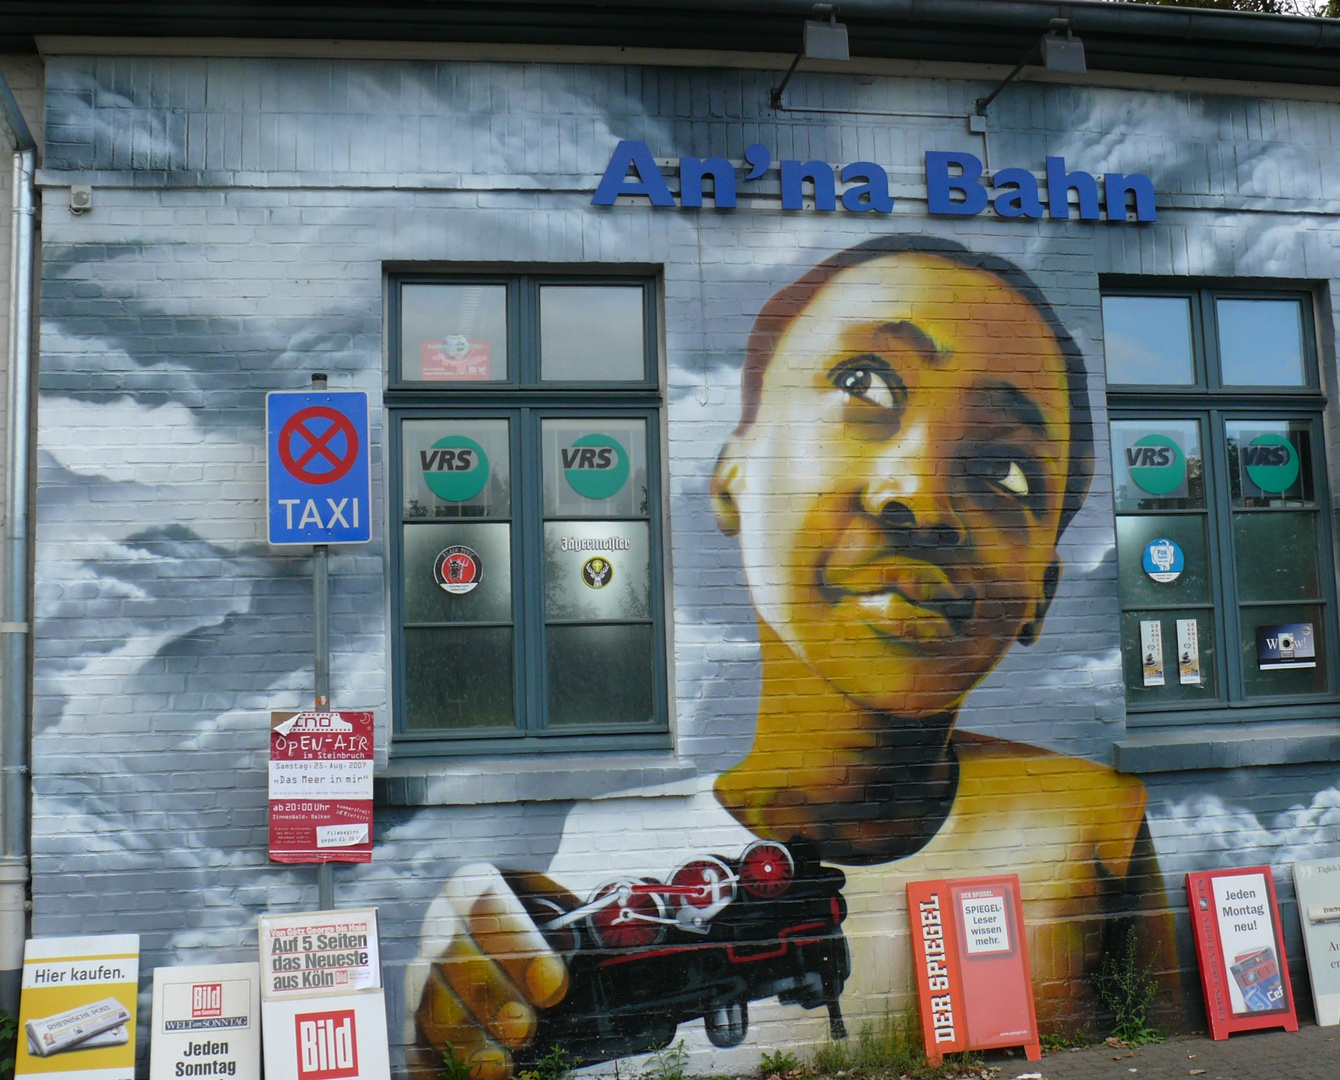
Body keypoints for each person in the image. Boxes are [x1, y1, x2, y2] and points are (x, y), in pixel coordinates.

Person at [410, 236, 1171, 1079]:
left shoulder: (1091, 827)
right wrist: (447, 1044)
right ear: (733, 470)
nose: (919, 496)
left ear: (1041, 595)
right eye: (863, 385)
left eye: (1006, 469)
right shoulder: (601, 849)